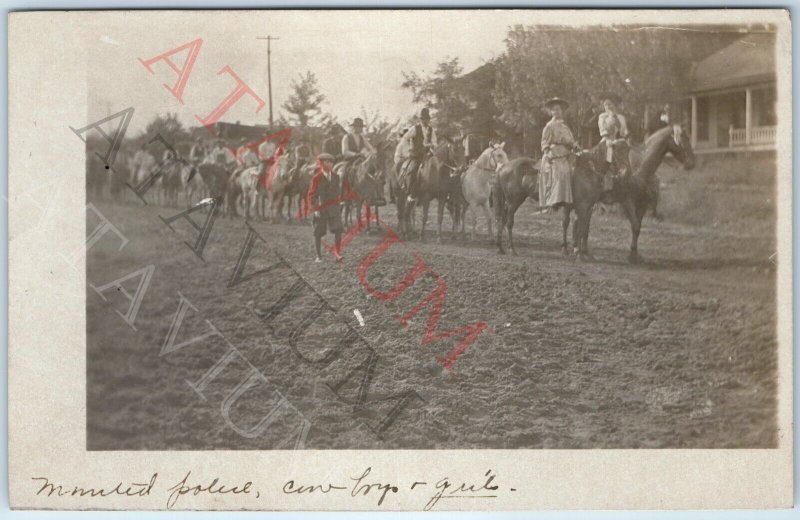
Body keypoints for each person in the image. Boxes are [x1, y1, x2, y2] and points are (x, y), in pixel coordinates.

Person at [538, 97, 577, 209]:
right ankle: (556, 200)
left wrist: (573, 145)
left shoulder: (565, 127)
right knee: (561, 171)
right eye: (554, 110)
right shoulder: (549, 126)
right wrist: (548, 153)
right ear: (551, 112)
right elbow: (544, 142)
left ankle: (575, 196)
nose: (557, 112)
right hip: (555, 154)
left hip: (567, 153)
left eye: (559, 109)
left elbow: (570, 141)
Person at [310, 153, 343, 263]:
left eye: (332, 162)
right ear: (322, 164)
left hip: (334, 207)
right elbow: (312, 195)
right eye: (327, 162)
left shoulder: (336, 177)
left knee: (338, 229)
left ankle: (337, 254)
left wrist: (340, 203)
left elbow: (337, 192)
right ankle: (318, 256)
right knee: (318, 232)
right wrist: (315, 209)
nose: (330, 164)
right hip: (321, 208)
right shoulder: (317, 178)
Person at [399, 108, 437, 202]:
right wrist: (409, 150)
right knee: (413, 170)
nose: (425, 121)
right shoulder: (414, 129)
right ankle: (411, 191)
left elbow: (435, 142)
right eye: (423, 119)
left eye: (427, 119)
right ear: (420, 120)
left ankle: (437, 191)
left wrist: (431, 145)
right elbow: (405, 138)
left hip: (428, 155)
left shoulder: (431, 130)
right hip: (417, 155)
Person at [598, 96, 629, 190]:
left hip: (618, 141)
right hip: (606, 140)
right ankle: (607, 186)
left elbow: (624, 132)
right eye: (606, 104)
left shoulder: (621, 117)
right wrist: (611, 116)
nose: (608, 106)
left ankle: (624, 181)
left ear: (615, 105)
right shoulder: (602, 117)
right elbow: (603, 131)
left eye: (610, 104)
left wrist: (623, 137)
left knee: (627, 154)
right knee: (609, 155)